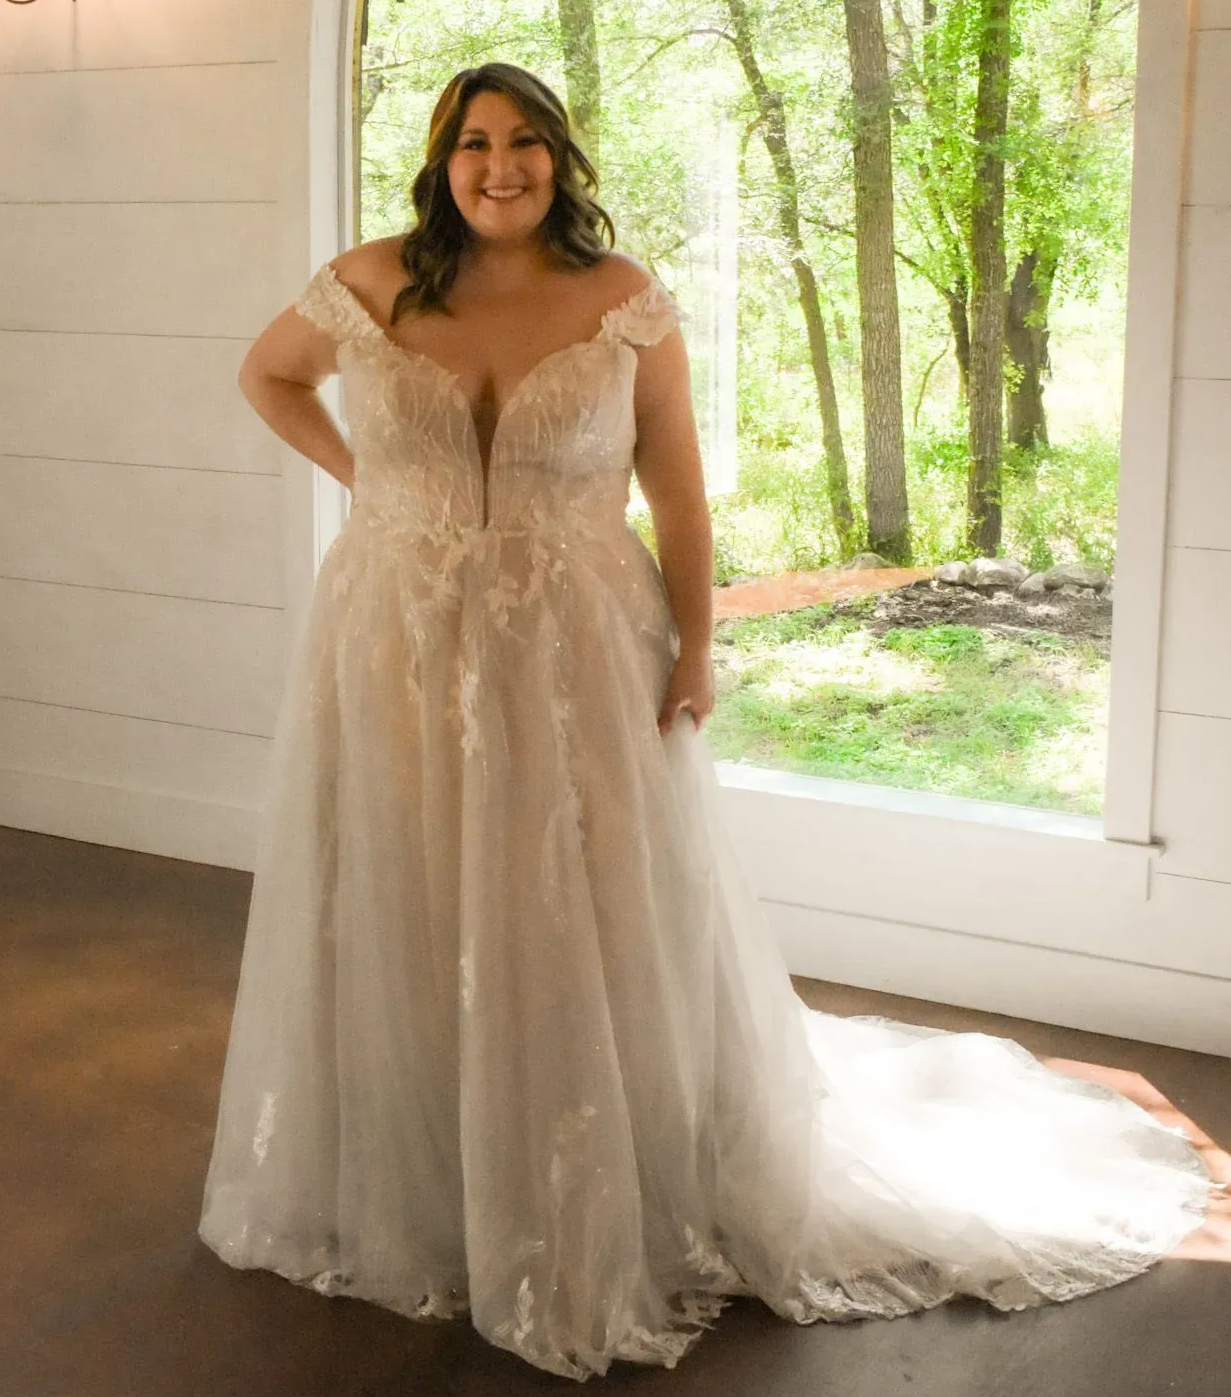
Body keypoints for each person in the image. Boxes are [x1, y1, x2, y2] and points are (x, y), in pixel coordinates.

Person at [198, 61, 1215, 1383]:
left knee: (581, 893)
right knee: (408, 873)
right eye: (471, 144)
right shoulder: (373, 277)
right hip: (390, 635)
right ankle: (426, 1172)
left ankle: (595, 1161)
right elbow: (267, 378)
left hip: (575, 640)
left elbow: (677, 495)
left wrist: (694, 650)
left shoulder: (623, 302)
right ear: (440, 162)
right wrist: (375, 486)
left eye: (523, 144)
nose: (498, 166)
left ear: (560, 161)